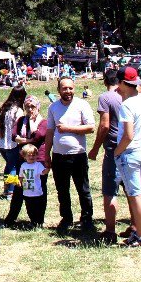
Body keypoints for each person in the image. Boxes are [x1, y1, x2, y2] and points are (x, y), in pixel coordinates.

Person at [45, 77, 95, 233]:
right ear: (59, 90)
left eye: (70, 88)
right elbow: (50, 131)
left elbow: (91, 128)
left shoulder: (82, 105)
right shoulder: (53, 107)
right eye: (64, 88)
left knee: (83, 189)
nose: (68, 91)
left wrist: (68, 129)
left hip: (78, 154)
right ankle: (66, 218)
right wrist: (46, 153)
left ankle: (87, 219)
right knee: (62, 190)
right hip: (59, 156)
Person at [114, 67, 141, 247]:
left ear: (124, 83)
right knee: (135, 191)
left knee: (135, 194)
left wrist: (117, 151)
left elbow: (128, 135)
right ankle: (139, 231)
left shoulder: (127, 105)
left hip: (130, 152)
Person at [87, 69, 122, 243]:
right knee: (132, 190)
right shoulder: (129, 94)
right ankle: (137, 226)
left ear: (104, 81)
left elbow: (105, 126)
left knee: (110, 190)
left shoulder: (105, 97)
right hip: (131, 147)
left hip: (113, 148)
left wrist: (94, 149)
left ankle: (110, 230)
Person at [0, 86, 26, 200]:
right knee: (12, 167)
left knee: (10, 165)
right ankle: (10, 191)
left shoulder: (4, 108)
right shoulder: (18, 110)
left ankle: (9, 188)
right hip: (11, 143)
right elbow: (21, 128)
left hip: (0, 143)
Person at [17, 144, 47, 227]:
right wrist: (19, 182)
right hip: (27, 192)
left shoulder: (38, 165)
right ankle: (33, 221)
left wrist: (47, 169)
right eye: (29, 156)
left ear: (37, 155)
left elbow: (43, 172)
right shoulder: (23, 165)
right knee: (29, 208)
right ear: (24, 156)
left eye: (34, 155)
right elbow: (21, 176)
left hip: (37, 191)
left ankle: (39, 221)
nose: (31, 157)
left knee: (38, 207)